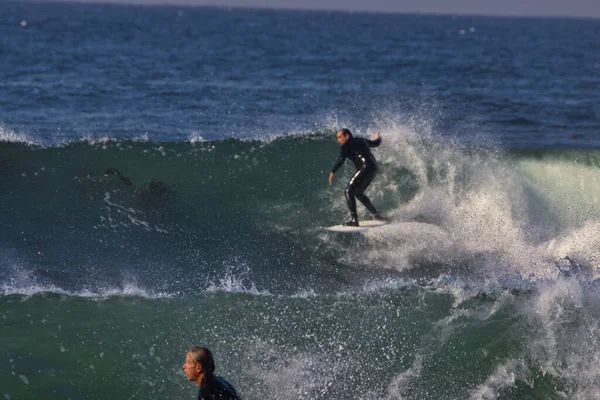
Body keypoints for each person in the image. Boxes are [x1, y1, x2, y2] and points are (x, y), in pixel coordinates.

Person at [328, 128, 385, 226]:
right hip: (373, 168)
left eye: (340, 137)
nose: (338, 140)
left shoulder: (345, 145)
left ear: (347, 136)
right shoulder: (362, 140)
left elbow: (341, 159)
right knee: (358, 193)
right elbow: (376, 143)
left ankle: (354, 220)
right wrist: (379, 137)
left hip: (365, 168)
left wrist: (333, 171)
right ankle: (376, 215)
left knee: (348, 191)